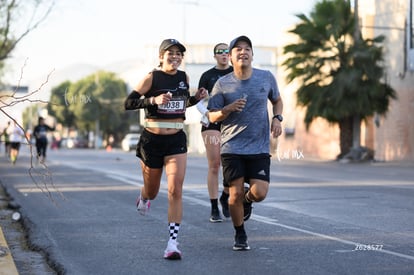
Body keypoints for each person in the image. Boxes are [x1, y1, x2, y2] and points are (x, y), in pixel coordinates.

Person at [124, 38, 207, 260]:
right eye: (170, 53)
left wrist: (195, 99)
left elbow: (181, 102)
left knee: (175, 190)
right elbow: (128, 103)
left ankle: (172, 243)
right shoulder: (151, 77)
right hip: (152, 140)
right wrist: (153, 100)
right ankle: (143, 196)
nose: (175, 56)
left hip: (177, 140)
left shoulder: (184, 77)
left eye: (179, 53)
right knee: (152, 190)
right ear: (161, 56)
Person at [207, 36, 283, 251]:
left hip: (258, 146)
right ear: (230, 57)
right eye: (237, 49)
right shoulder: (222, 84)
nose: (243, 52)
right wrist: (227, 109)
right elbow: (212, 117)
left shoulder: (266, 77)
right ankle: (240, 233)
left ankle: (247, 201)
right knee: (234, 194)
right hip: (232, 147)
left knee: (260, 193)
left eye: (247, 49)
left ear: (252, 54)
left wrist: (277, 118)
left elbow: (277, 100)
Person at [196, 43, 233, 222]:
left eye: (227, 51)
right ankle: (213, 207)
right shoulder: (207, 76)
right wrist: (208, 113)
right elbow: (198, 101)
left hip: (233, 124)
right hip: (211, 123)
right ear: (215, 56)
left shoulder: (237, 73)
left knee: (232, 163)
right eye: (220, 52)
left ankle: (225, 196)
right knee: (215, 164)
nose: (224, 54)